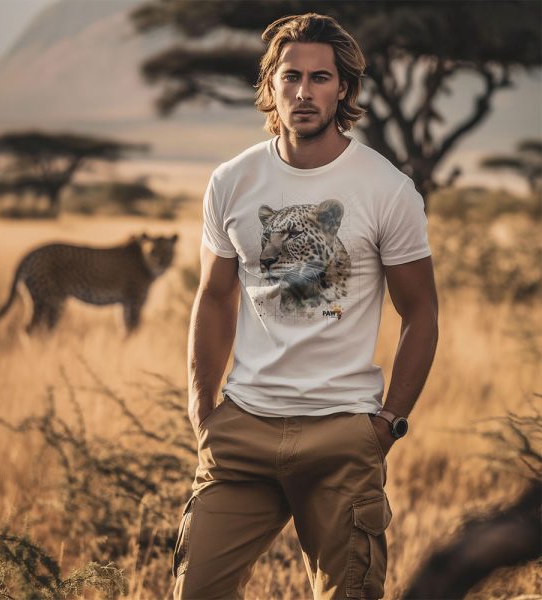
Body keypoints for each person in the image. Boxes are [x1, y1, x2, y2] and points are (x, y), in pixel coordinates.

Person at [173, 12, 438, 600]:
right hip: (242, 428)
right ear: (270, 85)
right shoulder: (233, 181)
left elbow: (421, 313)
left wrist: (385, 424)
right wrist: (201, 409)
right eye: (290, 76)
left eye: (320, 78)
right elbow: (214, 297)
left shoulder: (385, 188)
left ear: (343, 88)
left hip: (343, 432)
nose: (303, 91)